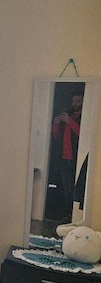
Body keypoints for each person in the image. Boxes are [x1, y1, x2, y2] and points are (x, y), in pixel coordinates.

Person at [52, 90, 83, 218]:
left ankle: (77, 215)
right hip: (63, 158)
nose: (74, 104)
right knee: (66, 188)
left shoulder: (85, 117)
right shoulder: (67, 115)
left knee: (78, 188)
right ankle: (67, 213)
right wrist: (56, 124)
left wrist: (70, 121)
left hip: (77, 158)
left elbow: (83, 134)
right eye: (73, 101)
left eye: (78, 101)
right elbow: (56, 136)